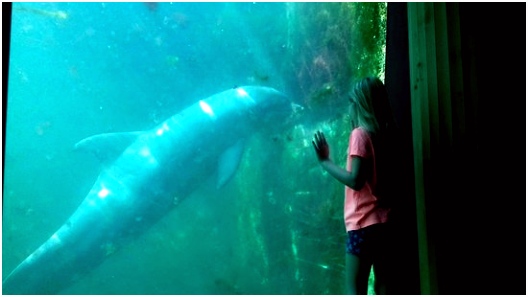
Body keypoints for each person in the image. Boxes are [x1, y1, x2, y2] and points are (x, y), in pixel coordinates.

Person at [312, 76, 397, 294]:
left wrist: (325, 162)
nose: (349, 107)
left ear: (359, 104)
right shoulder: (386, 134)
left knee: (354, 289)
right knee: (384, 284)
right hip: (385, 222)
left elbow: (356, 180)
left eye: (351, 102)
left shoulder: (360, 134)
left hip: (362, 225)